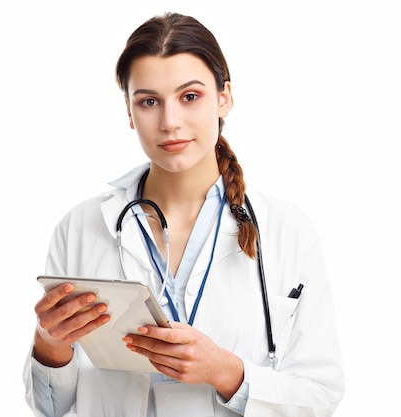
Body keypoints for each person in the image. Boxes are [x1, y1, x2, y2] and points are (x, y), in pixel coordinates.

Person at [23, 11, 345, 417]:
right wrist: (51, 345)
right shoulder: (81, 227)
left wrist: (228, 373)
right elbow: (49, 407)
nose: (169, 122)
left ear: (224, 97)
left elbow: (321, 394)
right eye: (149, 101)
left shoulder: (286, 231)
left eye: (189, 97)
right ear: (128, 110)